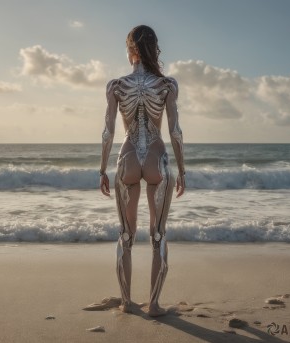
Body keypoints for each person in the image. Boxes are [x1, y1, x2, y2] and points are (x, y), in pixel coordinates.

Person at [99, 25, 185, 317]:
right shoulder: (167, 85)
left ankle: (126, 302)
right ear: (152, 50)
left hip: (128, 159)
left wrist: (101, 169)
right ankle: (155, 305)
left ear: (131, 50)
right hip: (157, 160)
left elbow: (108, 133)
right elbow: (174, 131)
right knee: (158, 235)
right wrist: (183, 171)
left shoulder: (115, 85)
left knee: (126, 235)